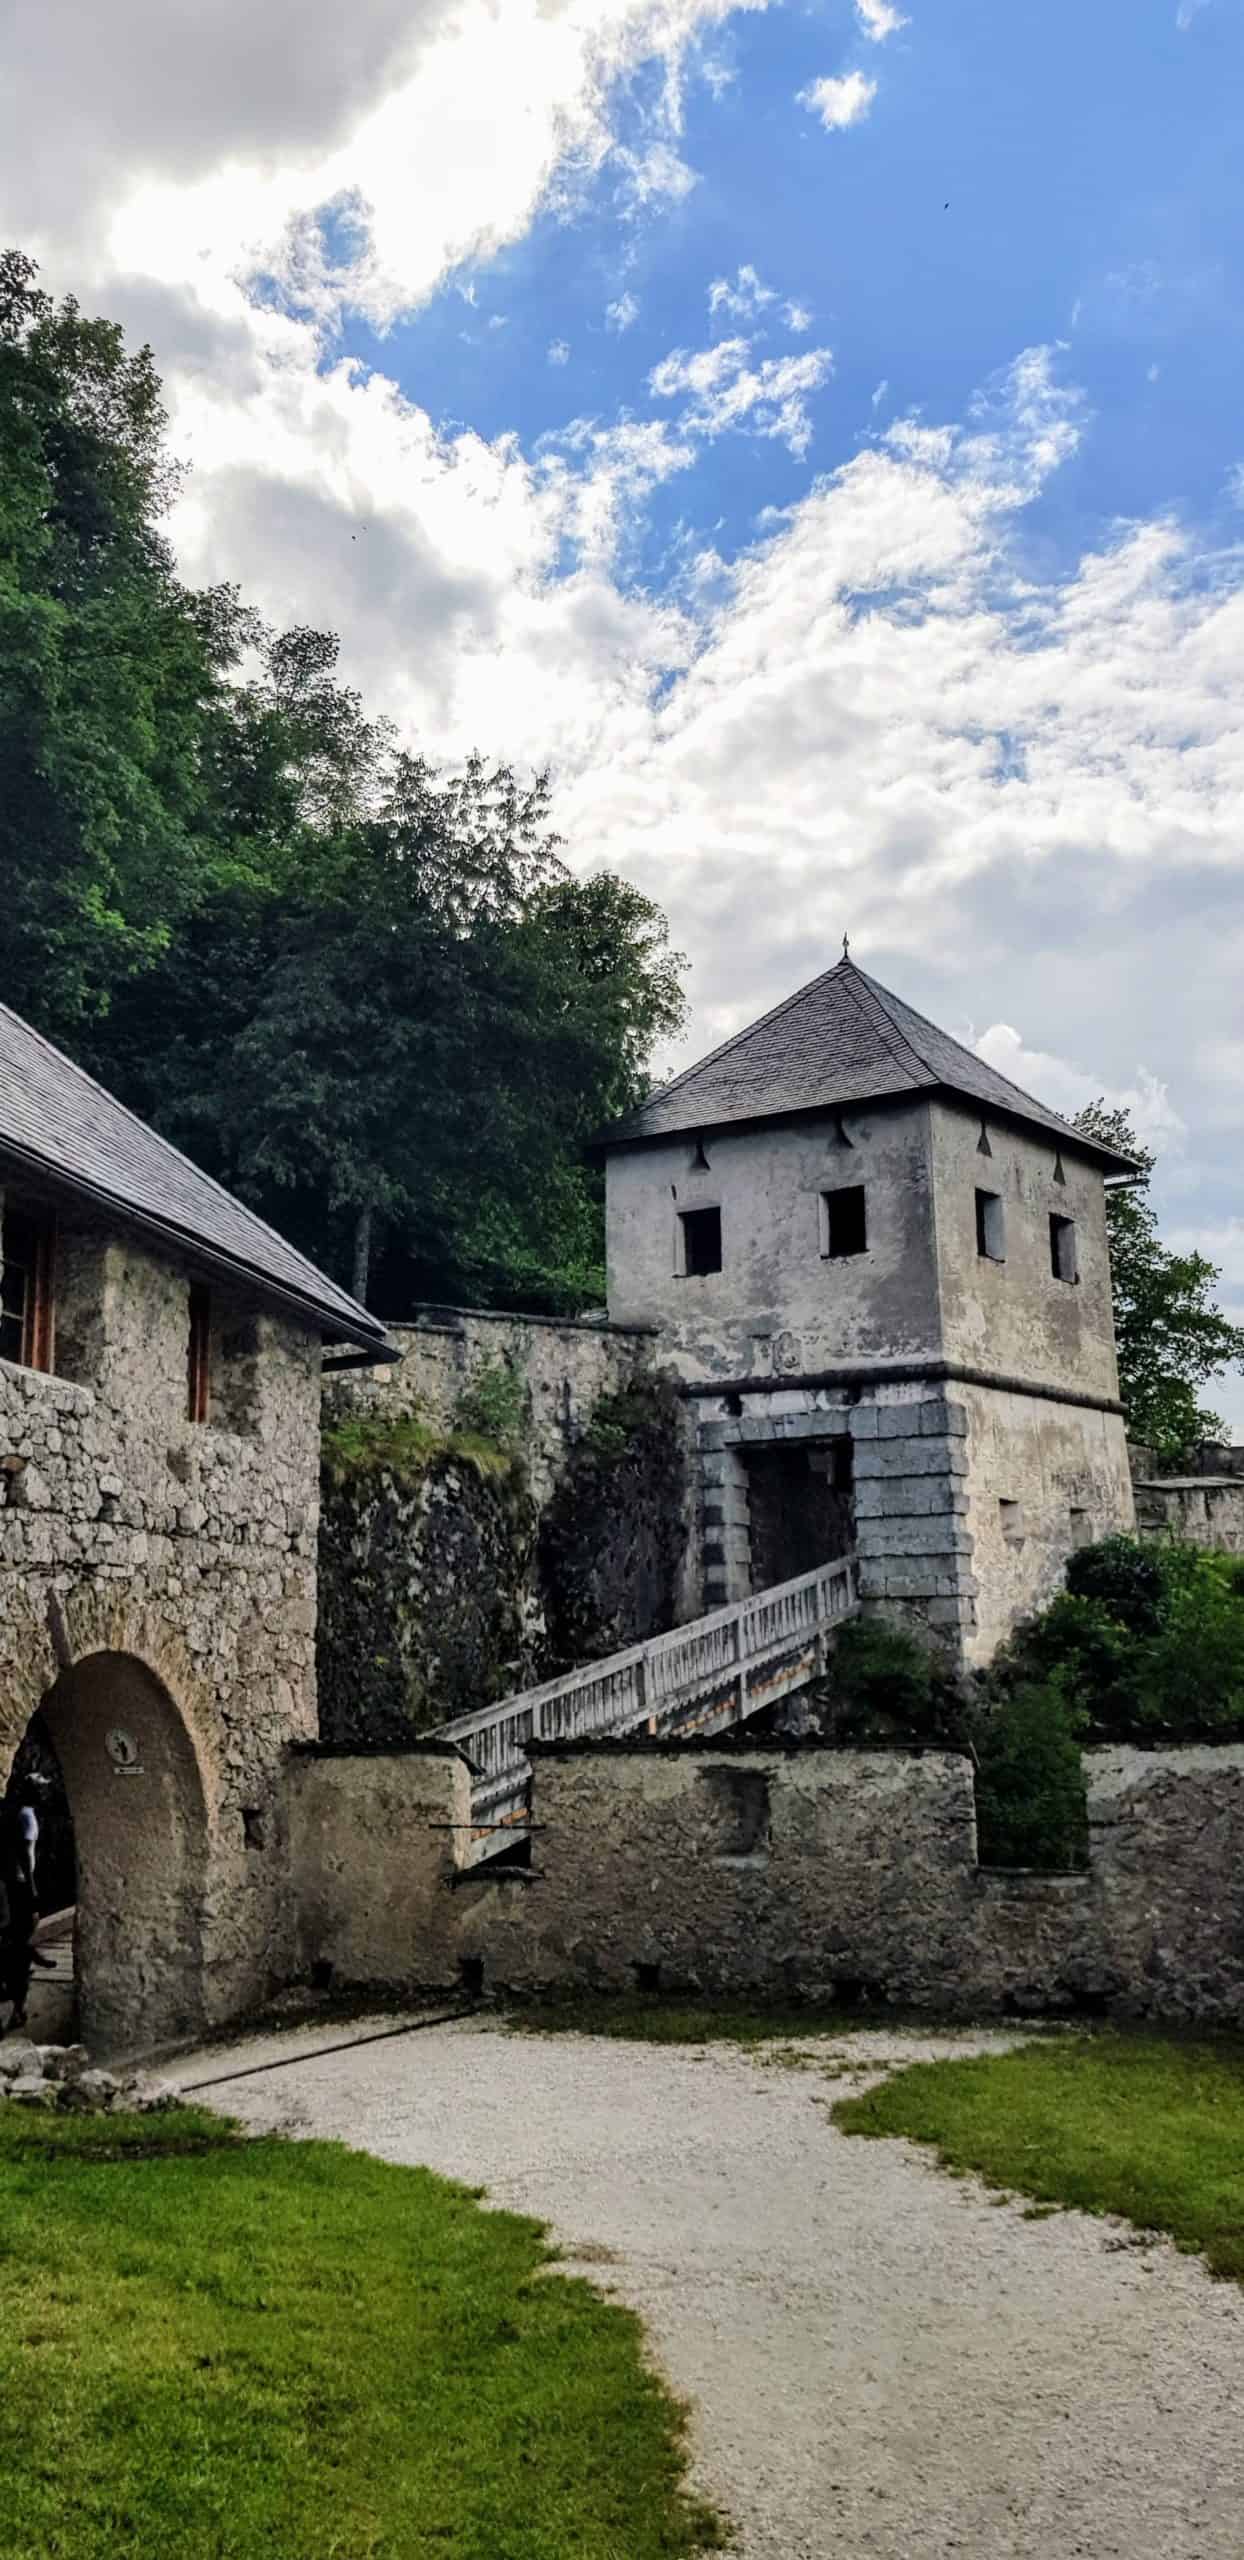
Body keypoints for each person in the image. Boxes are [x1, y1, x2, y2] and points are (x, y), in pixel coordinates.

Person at [0, 1783, 43, 2030]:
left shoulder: (11, 1814)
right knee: (22, 1940)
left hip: (8, 1883)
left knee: (14, 1939)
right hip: (19, 1883)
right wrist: (33, 1889)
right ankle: (18, 2006)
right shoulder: (27, 1817)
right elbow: (25, 1853)